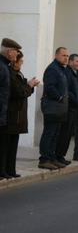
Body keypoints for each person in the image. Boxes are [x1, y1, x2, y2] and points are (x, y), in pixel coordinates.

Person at [0, 50, 39, 178]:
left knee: (13, 144)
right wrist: (29, 85)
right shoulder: (11, 74)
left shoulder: (18, 74)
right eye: (20, 60)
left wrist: (30, 86)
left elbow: (24, 90)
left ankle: (10, 169)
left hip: (17, 114)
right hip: (12, 114)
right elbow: (19, 92)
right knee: (6, 145)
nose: (21, 63)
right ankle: (3, 170)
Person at [38, 47, 69, 170]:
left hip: (59, 108)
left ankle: (52, 158)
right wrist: (60, 97)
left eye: (67, 55)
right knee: (49, 133)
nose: (66, 58)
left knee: (55, 133)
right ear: (56, 55)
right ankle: (44, 159)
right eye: (63, 55)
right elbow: (49, 87)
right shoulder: (53, 69)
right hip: (53, 106)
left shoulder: (61, 69)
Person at [0, 38, 22, 179]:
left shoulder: (5, 66)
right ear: (9, 52)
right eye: (16, 52)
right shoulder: (2, 67)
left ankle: (3, 171)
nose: (17, 55)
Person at [54, 54, 78, 165]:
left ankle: (61, 155)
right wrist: (75, 99)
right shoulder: (68, 73)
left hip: (74, 108)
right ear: (70, 62)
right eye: (77, 61)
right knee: (64, 134)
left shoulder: (74, 74)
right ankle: (58, 155)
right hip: (68, 108)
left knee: (68, 134)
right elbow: (66, 90)